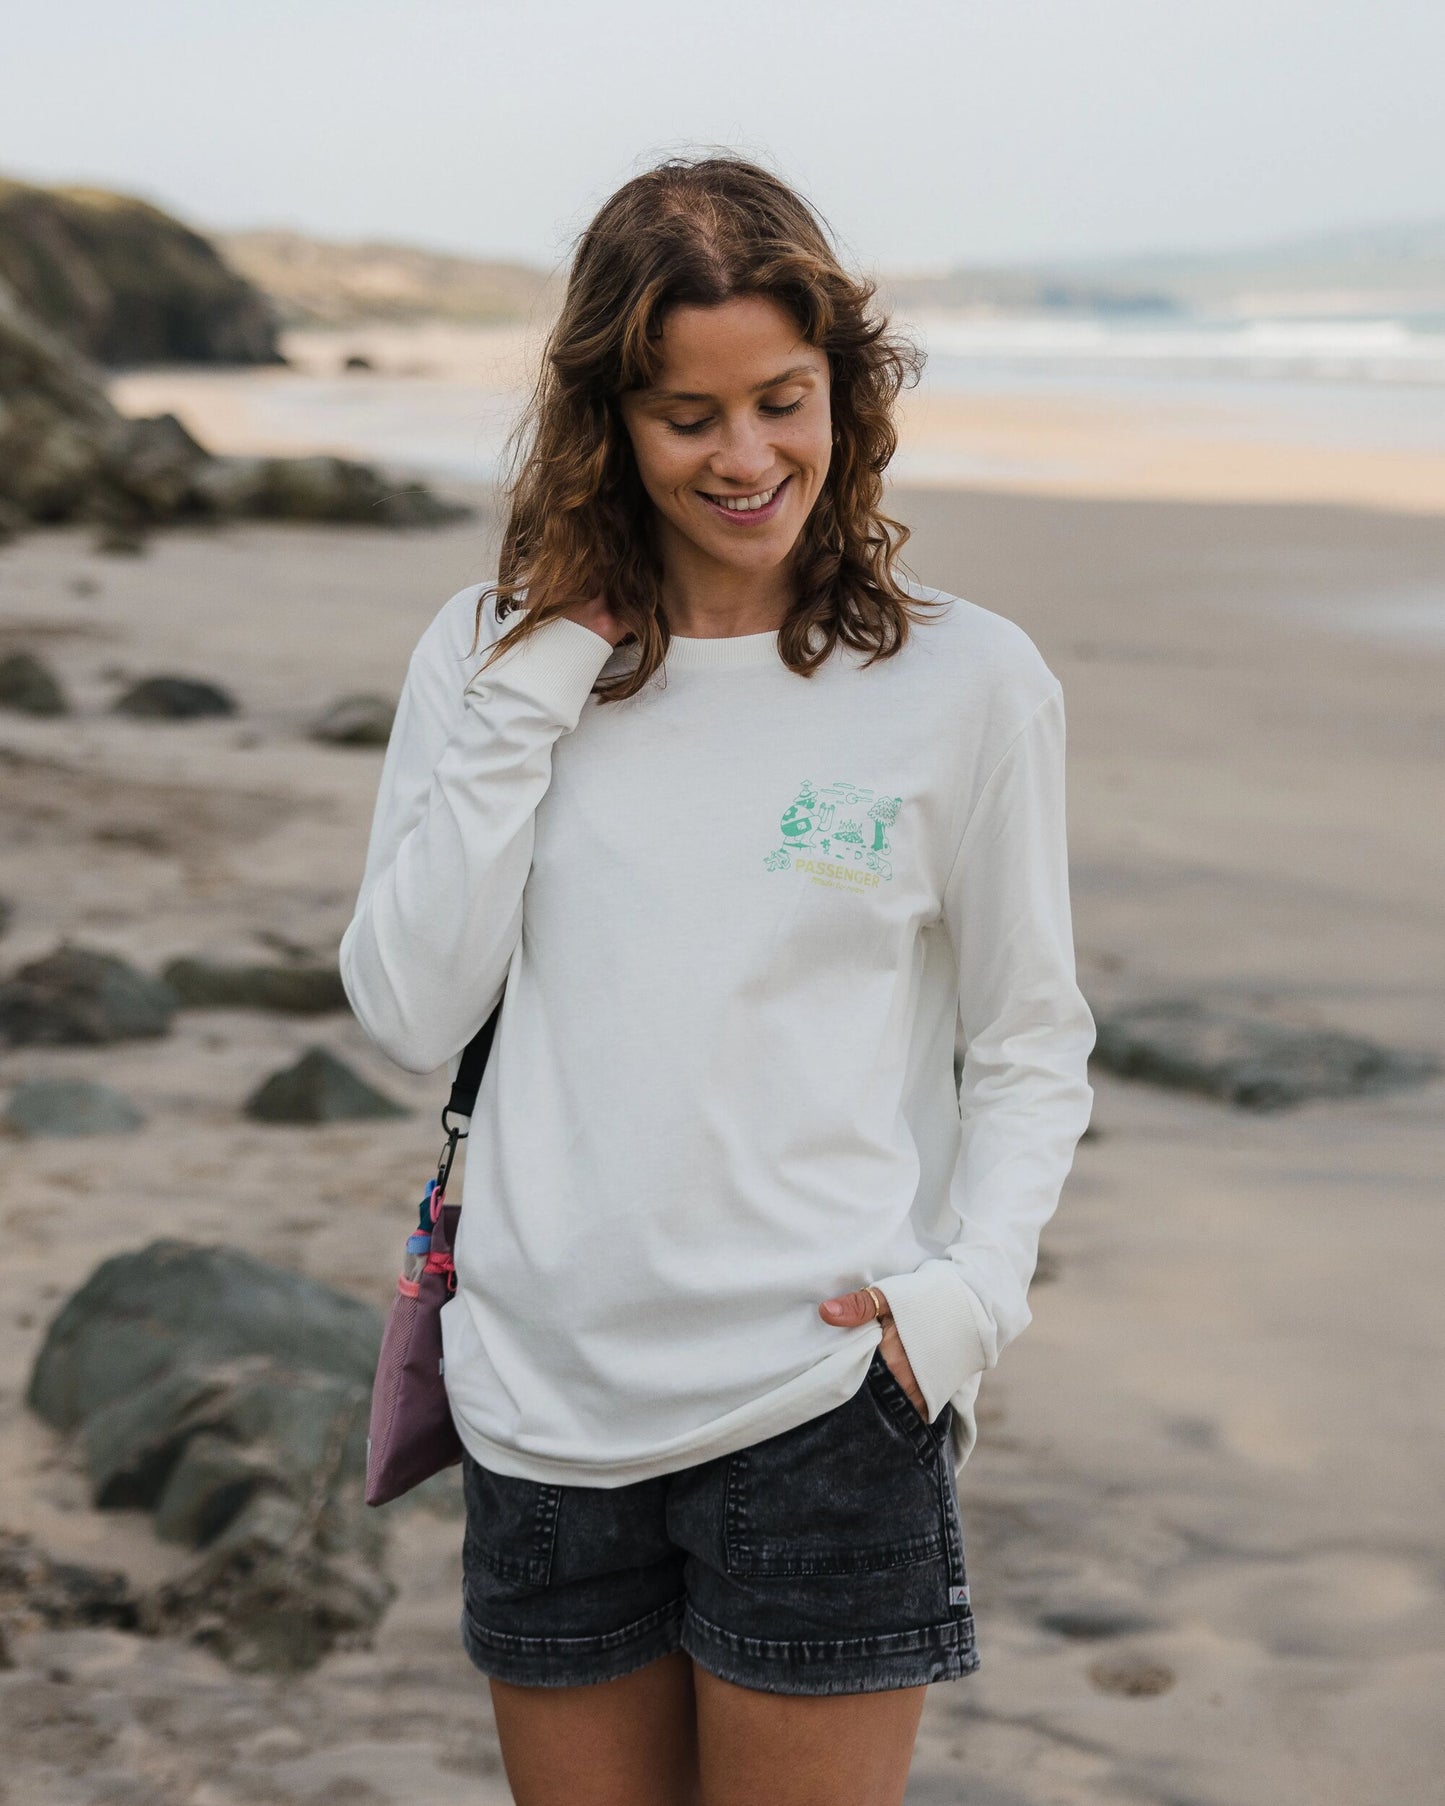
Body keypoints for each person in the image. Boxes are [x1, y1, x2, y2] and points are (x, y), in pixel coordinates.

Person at [339, 153, 1096, 1806]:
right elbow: (406, 1005)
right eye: (689, 416)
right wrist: (541, 671)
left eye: (781, 401)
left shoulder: (965, 681)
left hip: (821, 1400)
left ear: (845, 393)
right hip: (540, 1408)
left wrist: (967, 1303)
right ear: (608, 420)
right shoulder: (485, 657)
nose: (746, 458)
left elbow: (1028, 1040)